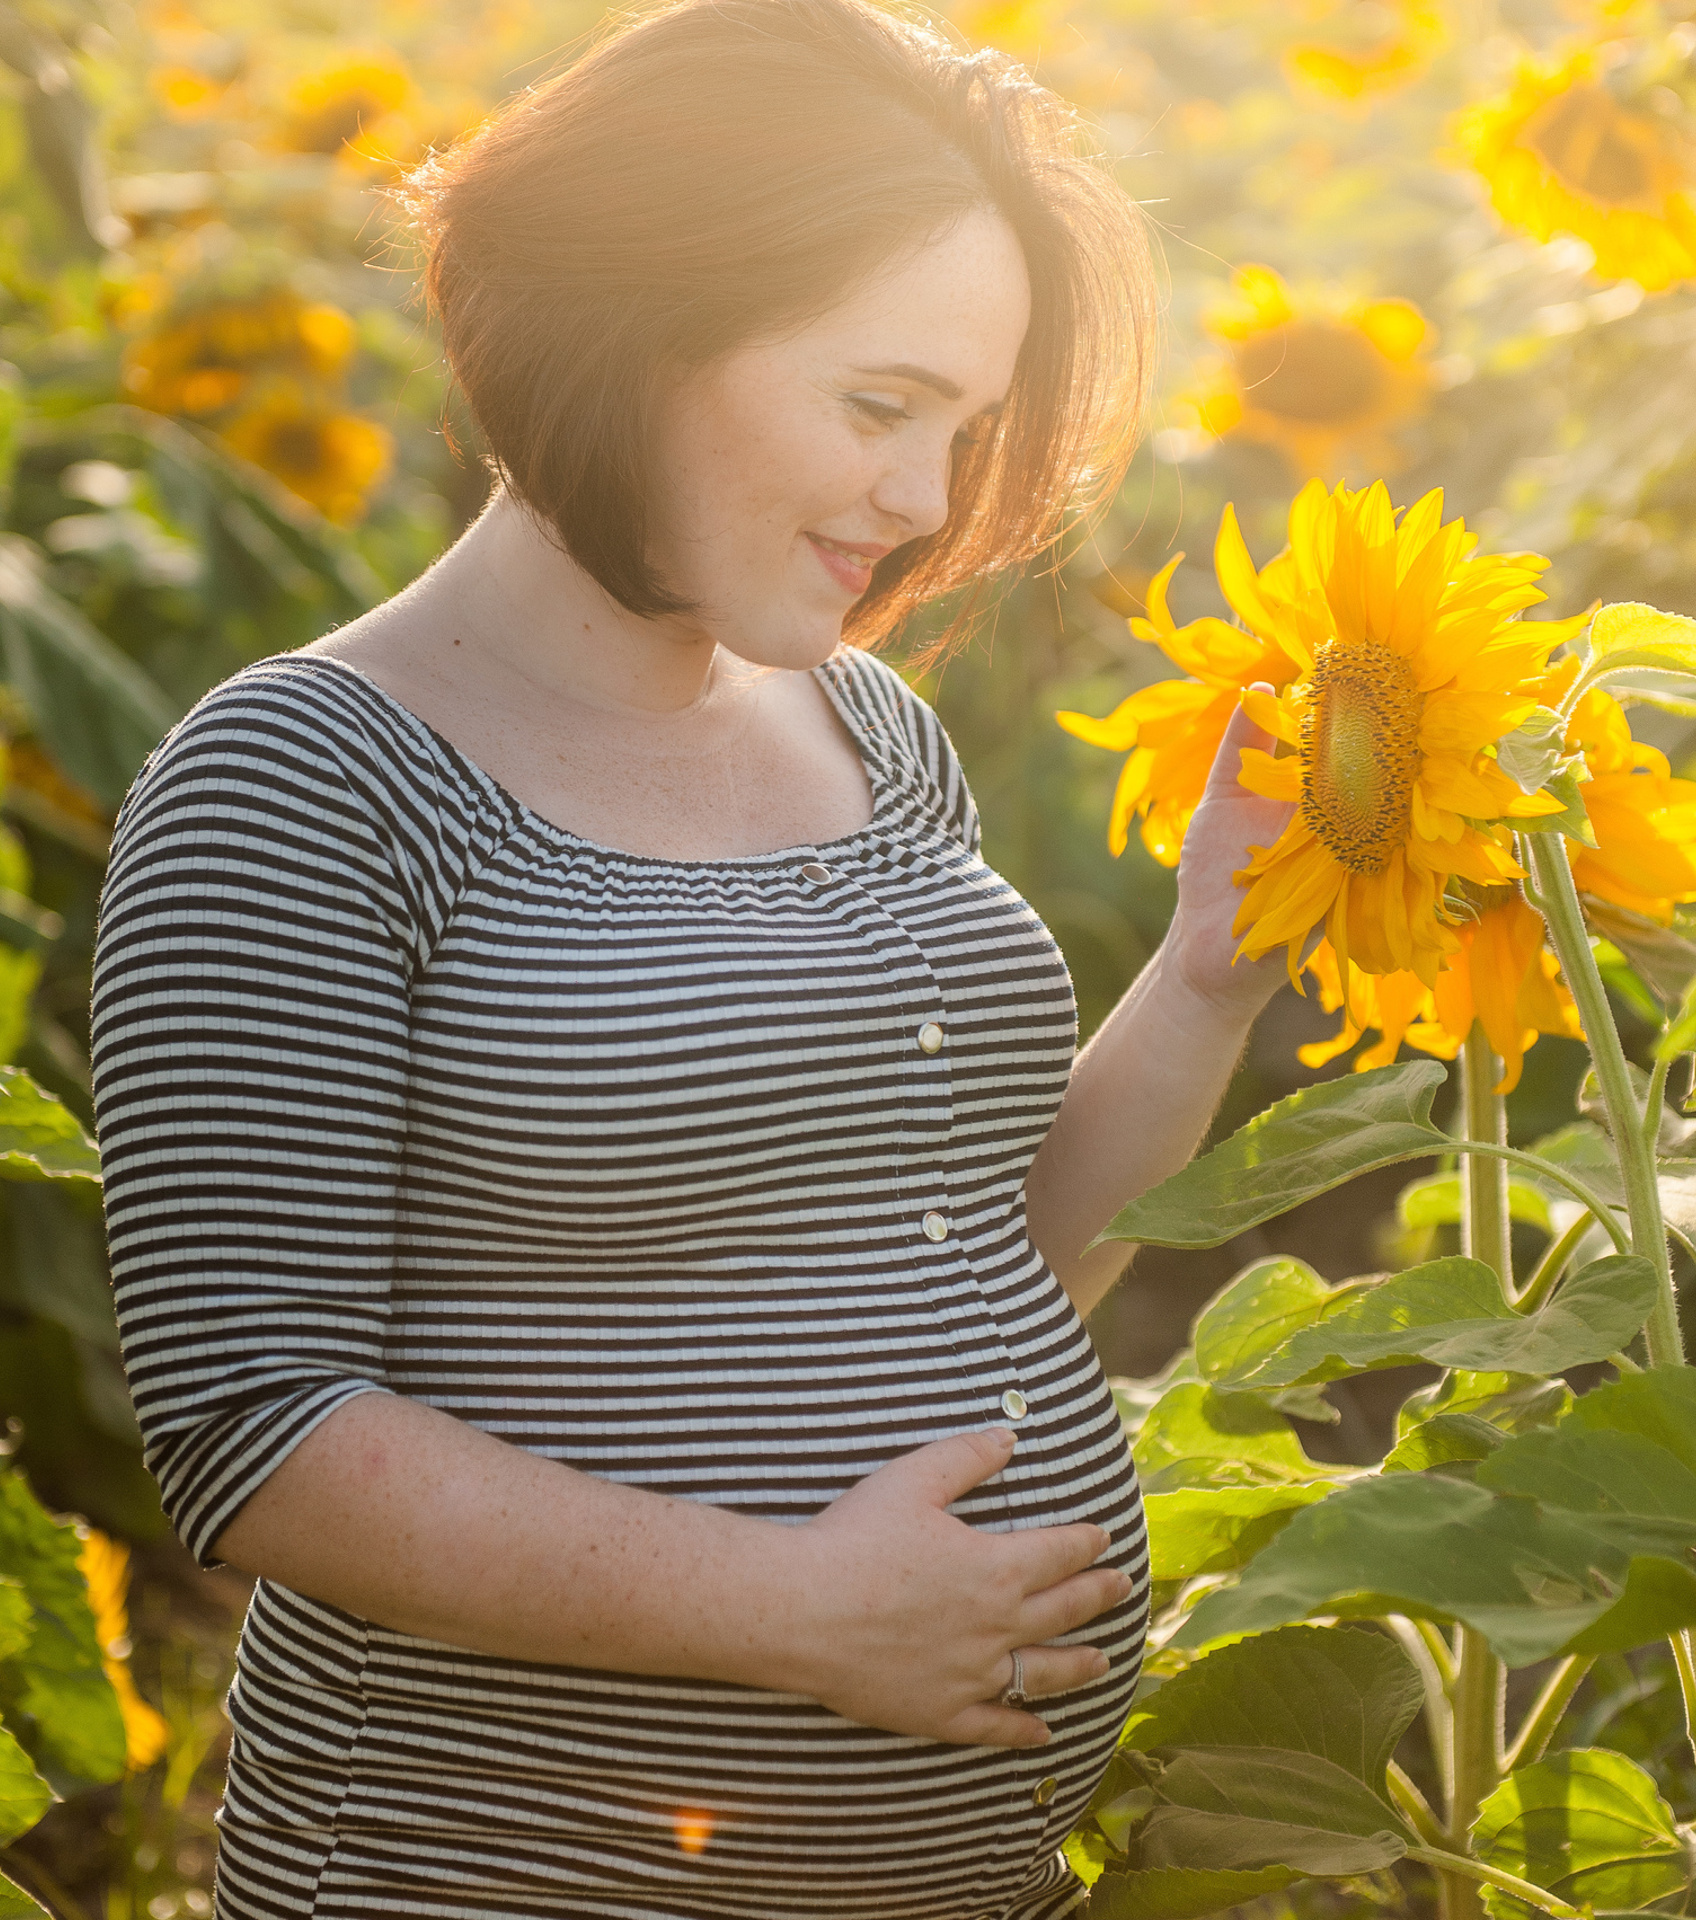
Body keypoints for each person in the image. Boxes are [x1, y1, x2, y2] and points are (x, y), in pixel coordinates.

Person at [90, 1, 1294, 1914]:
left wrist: (1213, 969)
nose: (926, 504)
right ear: (634, 322)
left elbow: (980, 1235)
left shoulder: (873, 734)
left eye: (965, 432)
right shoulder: (305, 778)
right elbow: (258, 1428)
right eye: (878, 406)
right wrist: (794, 1616)